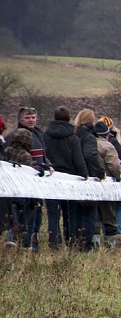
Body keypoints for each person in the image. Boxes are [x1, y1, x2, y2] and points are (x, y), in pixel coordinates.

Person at [44, 106, 87, 249]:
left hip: (50, 178)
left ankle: (54, 242)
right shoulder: (72, 137)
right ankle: (71, 241)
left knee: (52, 212)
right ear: (69, 118)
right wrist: (84, 174)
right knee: (69, 213)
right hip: (70, 179)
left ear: (54, 117)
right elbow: (78, 159)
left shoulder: (46, 135)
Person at [14, 106, 52, 251]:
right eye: (27, 117)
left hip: (38, 182)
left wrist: (48, 165)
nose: (31, 120)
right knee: (25, 214)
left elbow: (42, 155)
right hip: (24, 183)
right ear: (20, 119)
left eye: (33, 117)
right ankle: (22, 243)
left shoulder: (37, 134)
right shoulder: (18, 135)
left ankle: (33, 242)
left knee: (37, 213)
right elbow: (22, 158)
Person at [3, 128, 46, 250]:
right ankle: (25, 245)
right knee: (26, 221)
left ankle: (10, 239)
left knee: (12, 218)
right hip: (23, 193)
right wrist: (40, 168)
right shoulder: (25, 155)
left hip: (8, 192)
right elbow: (32, 170)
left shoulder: (6, 151)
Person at [99, 116, 121, 238]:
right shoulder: (112, 142)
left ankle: (113, 234)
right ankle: (118, 234)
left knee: (104, 212)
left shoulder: (91, 141)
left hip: (100, 180)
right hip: (113, 180)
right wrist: (119, 175)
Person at [73, 109, 104, 251]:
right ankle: (86, 244)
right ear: (91, 120)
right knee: (89, 213)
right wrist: (99, 172)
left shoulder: (74, 134)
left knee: (76, 213)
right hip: (88, 177)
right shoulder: (89, 136)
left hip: (72, 177)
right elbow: (90, 155)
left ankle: (74, 242)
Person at [94, 120, 121, 246]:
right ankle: (110, 246)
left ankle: (94, 245)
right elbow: (115, 167)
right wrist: (118, 176)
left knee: (96, 217)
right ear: (107, 134)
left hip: (89, 186)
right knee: (109, 217)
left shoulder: (87, 143)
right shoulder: (108, 146)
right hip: (107, 186)